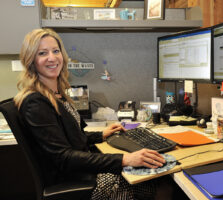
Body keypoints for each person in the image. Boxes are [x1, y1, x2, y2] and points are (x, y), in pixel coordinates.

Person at [14, 28, 166, 200]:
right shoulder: (36, 102)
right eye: (42, 53)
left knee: (149, 175)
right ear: (31, 60)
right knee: (146, 180)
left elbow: (71, 137)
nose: (52, 57)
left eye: (56, 51)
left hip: (80, 171)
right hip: (74, 179)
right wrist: (125, 159)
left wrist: (101, 134)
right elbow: (64, 157)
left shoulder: (56, 94)